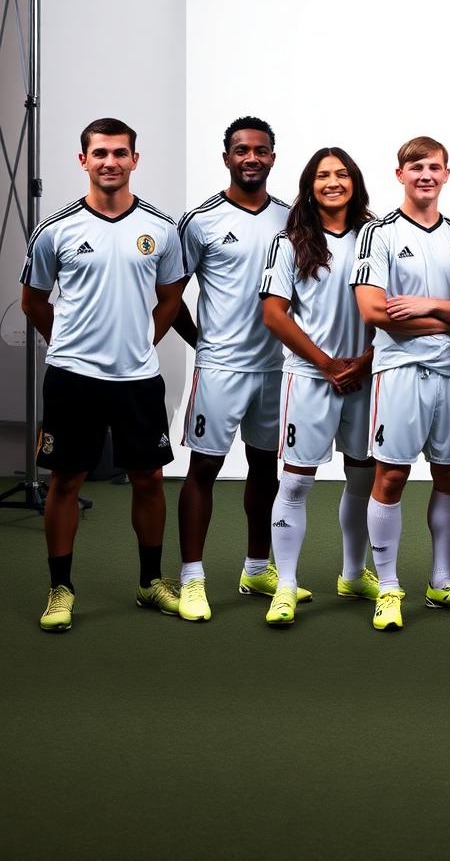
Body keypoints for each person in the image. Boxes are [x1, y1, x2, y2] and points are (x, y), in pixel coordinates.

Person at [21, 118, 186, 631]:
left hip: (137, 379)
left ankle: (151, 582)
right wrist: (71, 345)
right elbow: (33, 301)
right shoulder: (56, 229)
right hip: (72, 379)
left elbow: (171, 297)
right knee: (65, 480)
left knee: (150, 479)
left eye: (120, 153)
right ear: (83, 160)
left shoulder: (160, 229)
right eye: (100, 153)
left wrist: (141, 342)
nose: (110, 161)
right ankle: (60, 589)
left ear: (135, 160)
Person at [352, 135, 450, 631]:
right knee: (391, 476)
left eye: (434, 167)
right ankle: (388, 587)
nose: (425, 175)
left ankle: (442, 581)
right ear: (399, 175)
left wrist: (426, 307)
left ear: (447, 174)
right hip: (400, 373)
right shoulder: (379, 234)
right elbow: (373, 310)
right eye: (415, 167)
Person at [173, 116, 293, 622]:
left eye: (260, 151)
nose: (251, 158)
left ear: (272, 157)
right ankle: (192, 578)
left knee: (266, 468)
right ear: (226, 157)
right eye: (241, 150)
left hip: (274, 367)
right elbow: (169, 294)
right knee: (204, 468)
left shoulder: (292, 218)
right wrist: (203, 343)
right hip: (220, 367)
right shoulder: (200, 220)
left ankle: (257, 566)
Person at [259, 147, 377, 626]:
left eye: (342, 174)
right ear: (309, 185)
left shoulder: (378, 236)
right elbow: (273, 314)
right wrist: (328, 364)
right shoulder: (290, 242)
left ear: (355, 182)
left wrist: (365, 361)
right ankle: (285, 584)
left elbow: (389, 311)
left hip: (366, 377)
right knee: (296, 481)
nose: (333, 182)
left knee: (363, 476)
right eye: (323, 175)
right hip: (311, 378)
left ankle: (353, 573)